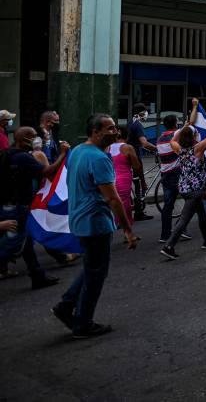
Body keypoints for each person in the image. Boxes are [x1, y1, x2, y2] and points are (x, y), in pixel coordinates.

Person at [52, 114, 137, 339]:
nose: (115, 132)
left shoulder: (79, 151)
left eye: (115, 128)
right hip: (95, 223)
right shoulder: (99, 159)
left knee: (92, 267)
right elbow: (113, 198)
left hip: (80, 219)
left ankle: (65, 305)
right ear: (95, 132)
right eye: (109, 129)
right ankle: (83, 323)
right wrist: (127, 229)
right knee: (96, 274)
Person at [0, 127, 69, 287]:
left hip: (9, 204)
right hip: (17, 206)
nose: (36, 139)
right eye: (33, 137)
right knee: (14, 245)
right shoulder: (24, 157)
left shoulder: (8, 154)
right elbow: (48, 171)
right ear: (23, 139)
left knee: (27, 243)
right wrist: (63, 154)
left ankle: (37, 276)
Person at [159, 110, 206, 259]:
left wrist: (185, 127)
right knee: (185, 218)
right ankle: (169, 246)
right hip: (195, 190)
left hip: (185, 188)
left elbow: (174, 138)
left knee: (201, 214)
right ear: (193, 137)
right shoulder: (197, 149)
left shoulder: (179, 149)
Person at [107, 125, 142, 231]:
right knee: (125, 204)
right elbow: (137, 166)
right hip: (123, 180)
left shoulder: (107, 147)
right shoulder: (127, 148)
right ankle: (127, 231)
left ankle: (113, 224)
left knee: (112, 203)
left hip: (109, 180)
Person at [126, 103, 156, 221]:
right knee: (140, 183)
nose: (146, 114)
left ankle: (137, 209)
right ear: (141, 113)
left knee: (136, 182)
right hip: (135, 157)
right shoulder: (137, 125)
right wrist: (158, 149)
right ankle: (138, 211)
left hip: (129, 156)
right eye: (145, 111)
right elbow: (144, 143)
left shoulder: (130, 122)